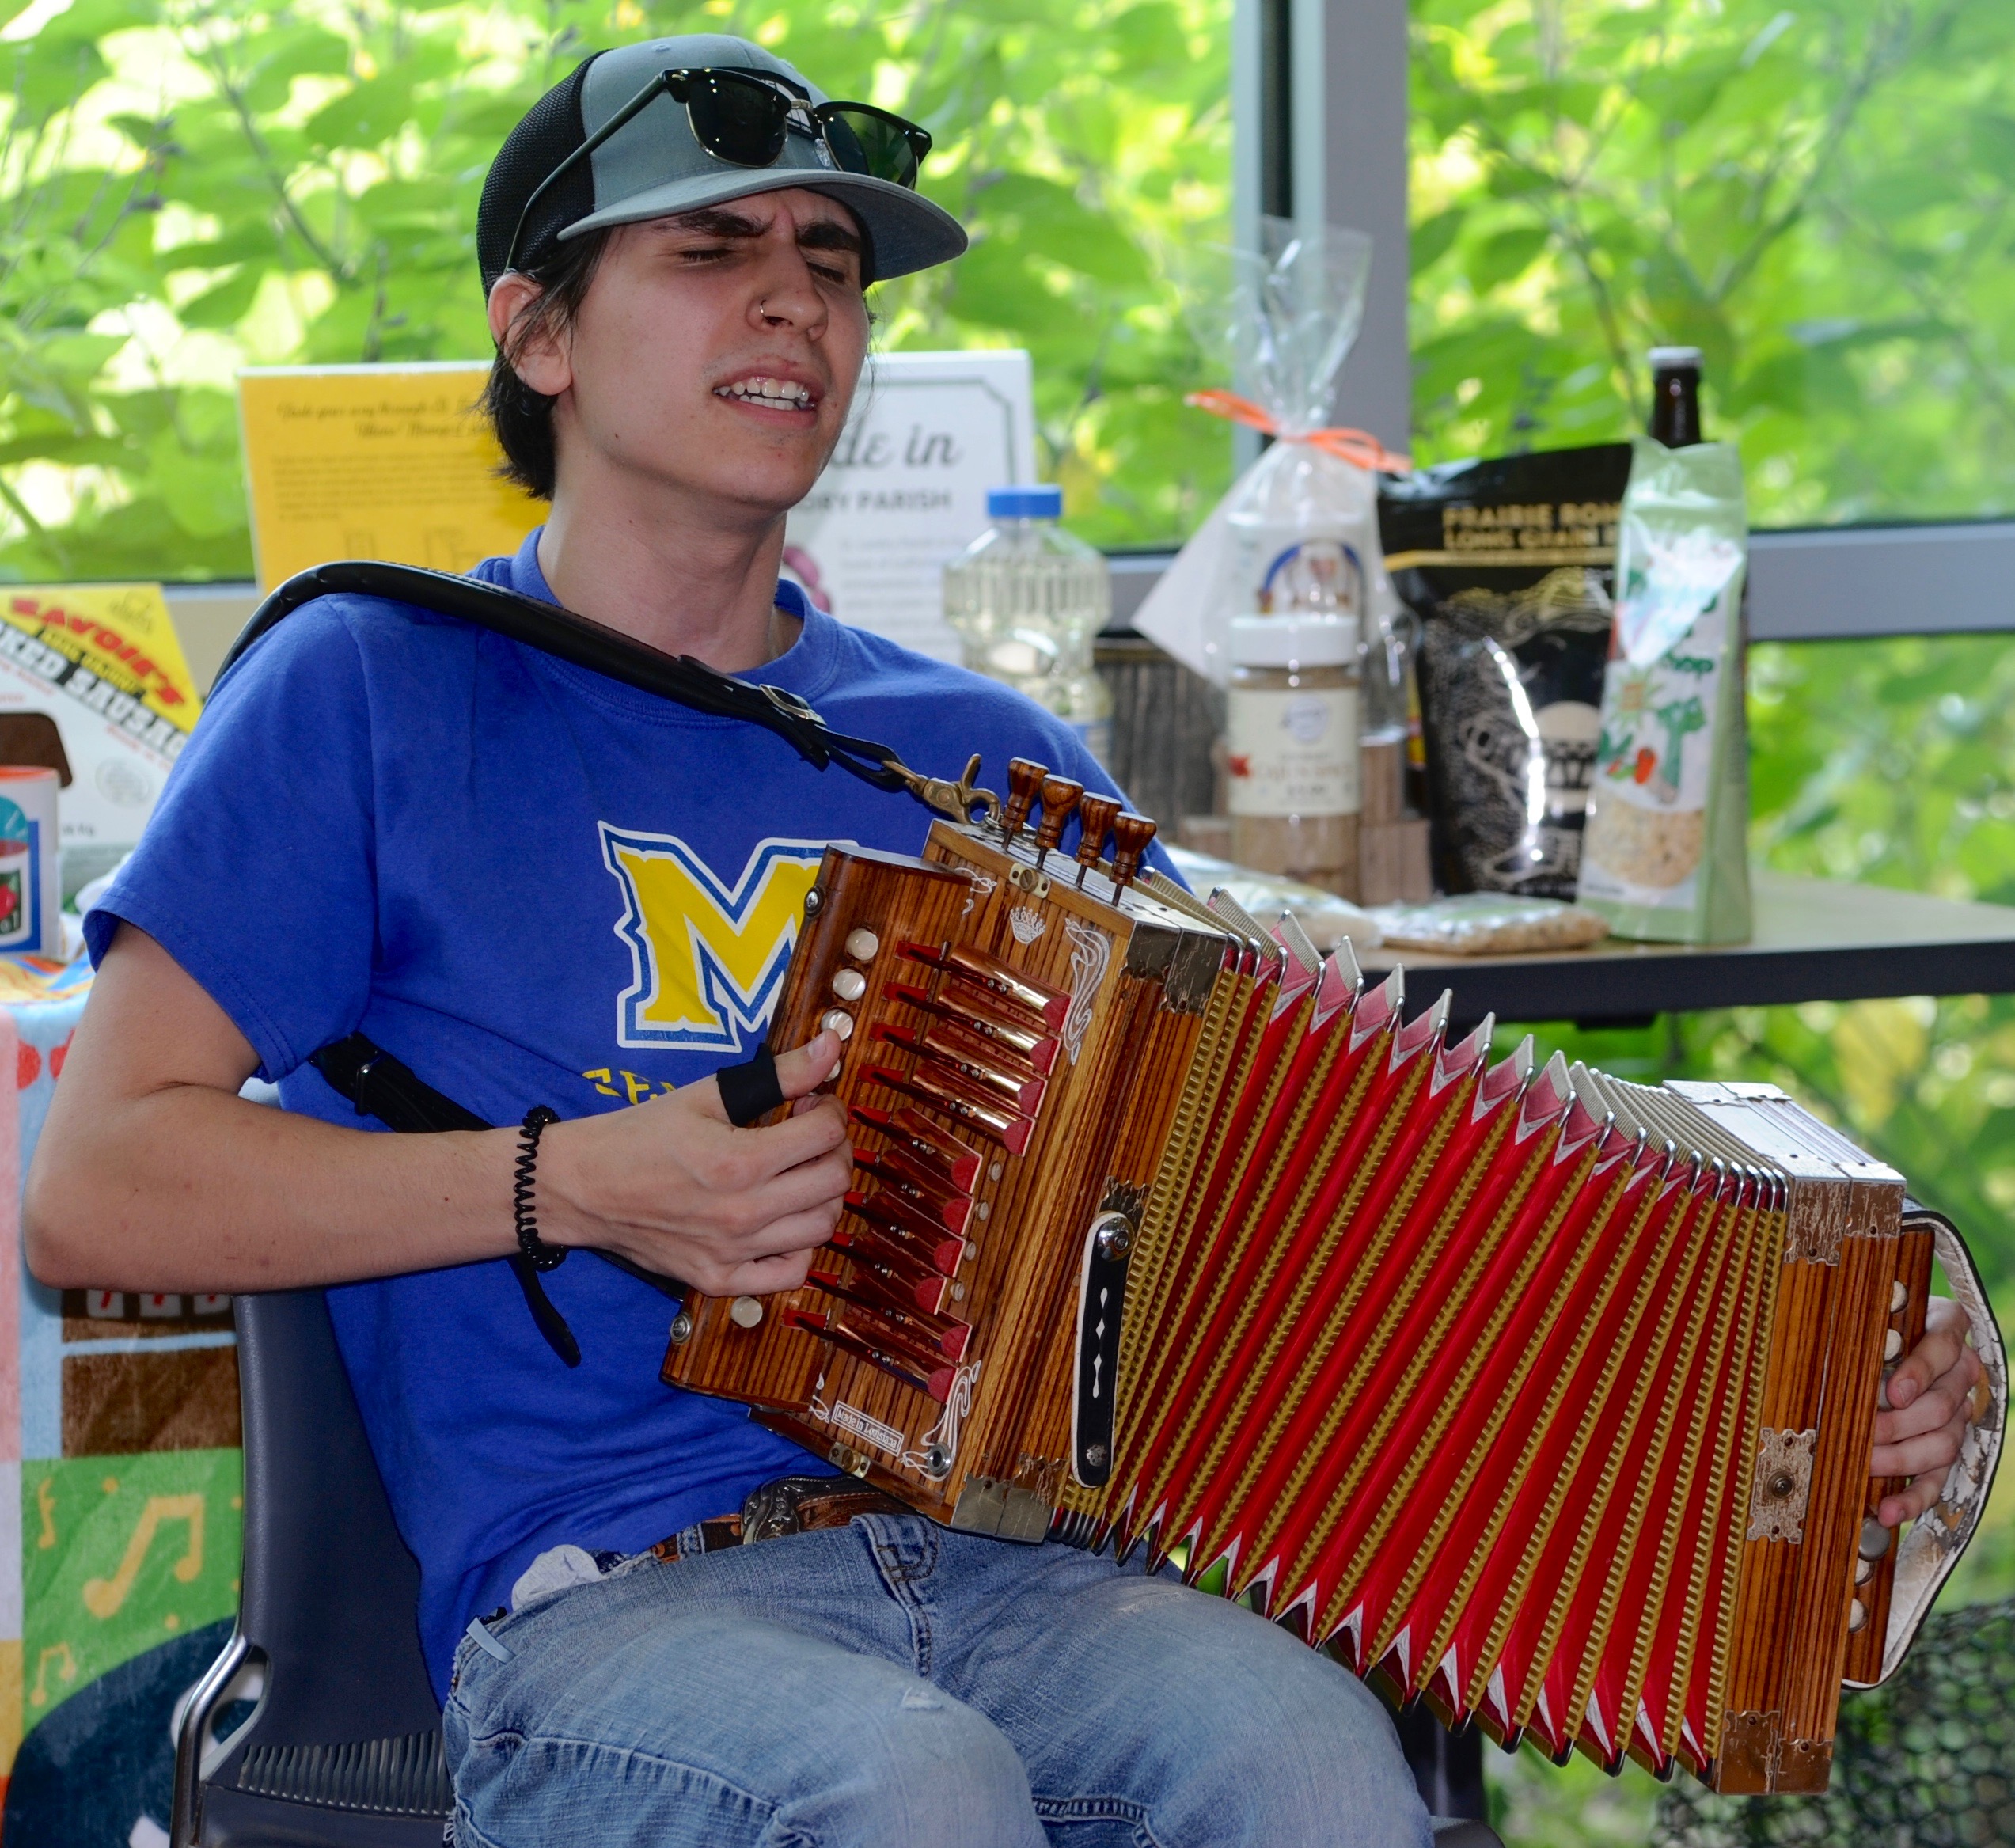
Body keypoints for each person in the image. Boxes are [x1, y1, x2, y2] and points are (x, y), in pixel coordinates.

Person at [21, 33, 1982, 1848]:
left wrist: (1813, 1409)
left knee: (1317, 1757)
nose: (799, 296)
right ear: (536, 330)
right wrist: (583, 1186)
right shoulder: (370, 688)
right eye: (714, 248)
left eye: (833, 262)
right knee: (908, 1789)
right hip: (599, 1607)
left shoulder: (994, 768)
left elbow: (1325, 1233)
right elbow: (94, 1195)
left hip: (1024, 1565)